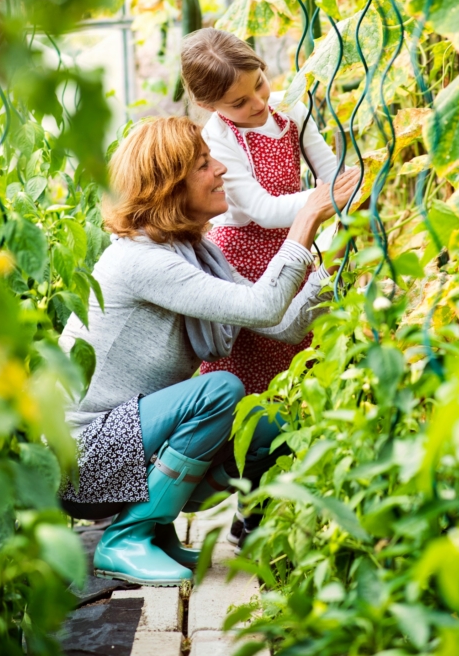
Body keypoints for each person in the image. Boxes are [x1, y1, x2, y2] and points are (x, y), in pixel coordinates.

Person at [58, 116, 357, 587]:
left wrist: (333, 264)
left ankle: (155, 529)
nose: (220, 169)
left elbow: (278, 324)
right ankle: (126, 538)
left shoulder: (195, 251)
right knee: (220, 391)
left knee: (267, 426)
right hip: (82, 459)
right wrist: (305, 221)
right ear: (169, 186)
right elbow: (261, 305)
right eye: (203, 164)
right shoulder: (140, 259)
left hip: (124, 445)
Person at [180, 28, 344, 396]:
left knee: (302, 348)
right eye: (238, 102)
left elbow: (330, 172)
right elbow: (264, 211)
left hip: (294, 243)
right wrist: (328, 198)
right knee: (255, 360)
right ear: (210, 106)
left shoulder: (290, 107)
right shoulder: (217, 139)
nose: (257, 103)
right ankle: (252, 447)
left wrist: (339, 190)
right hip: (244, 256)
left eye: (260, 83)